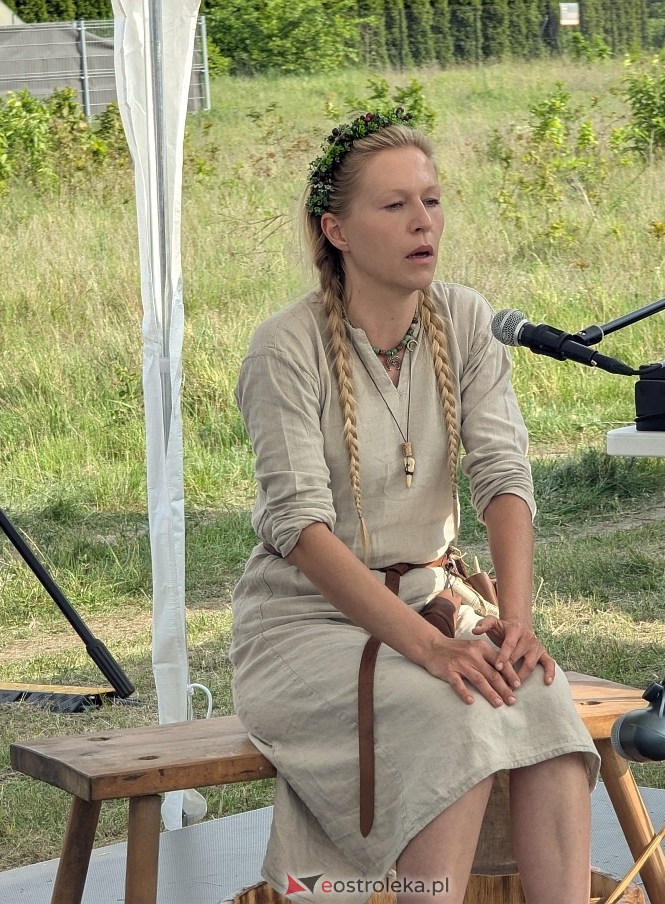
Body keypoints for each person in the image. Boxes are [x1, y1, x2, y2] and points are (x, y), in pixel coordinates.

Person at [230, 108, 599, 904]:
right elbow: (300, 530)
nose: (422, 221)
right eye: (394, 205)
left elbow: (503, 473)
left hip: (433, 602)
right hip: (301, 627)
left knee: (544, 705)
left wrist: (517, 621)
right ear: (335, 228)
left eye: (431, 201)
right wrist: (431, 653)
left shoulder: (466, 320)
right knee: (456, 715)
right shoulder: (283, 349)